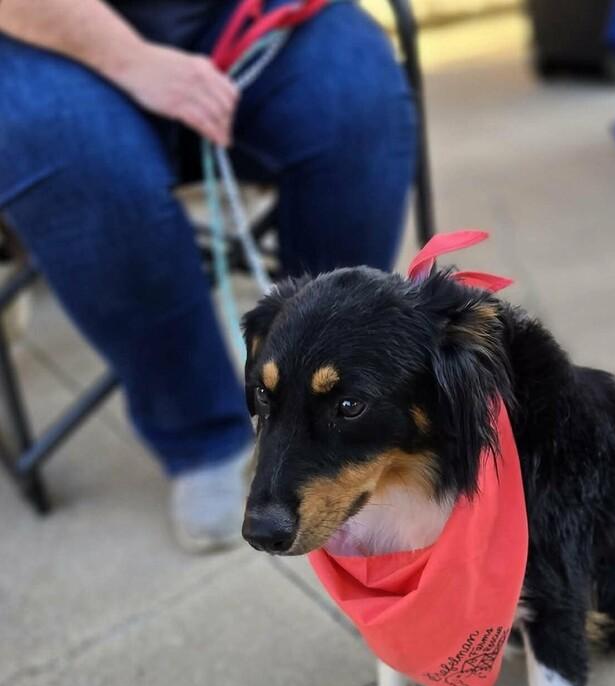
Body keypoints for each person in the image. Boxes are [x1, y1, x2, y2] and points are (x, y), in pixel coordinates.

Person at [0, 0, 416, 551]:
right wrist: (133, 61)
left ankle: (350, 403)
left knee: (357, 97)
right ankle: (200, 435)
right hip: (43, 36)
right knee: (75, 159)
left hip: (237, 15)